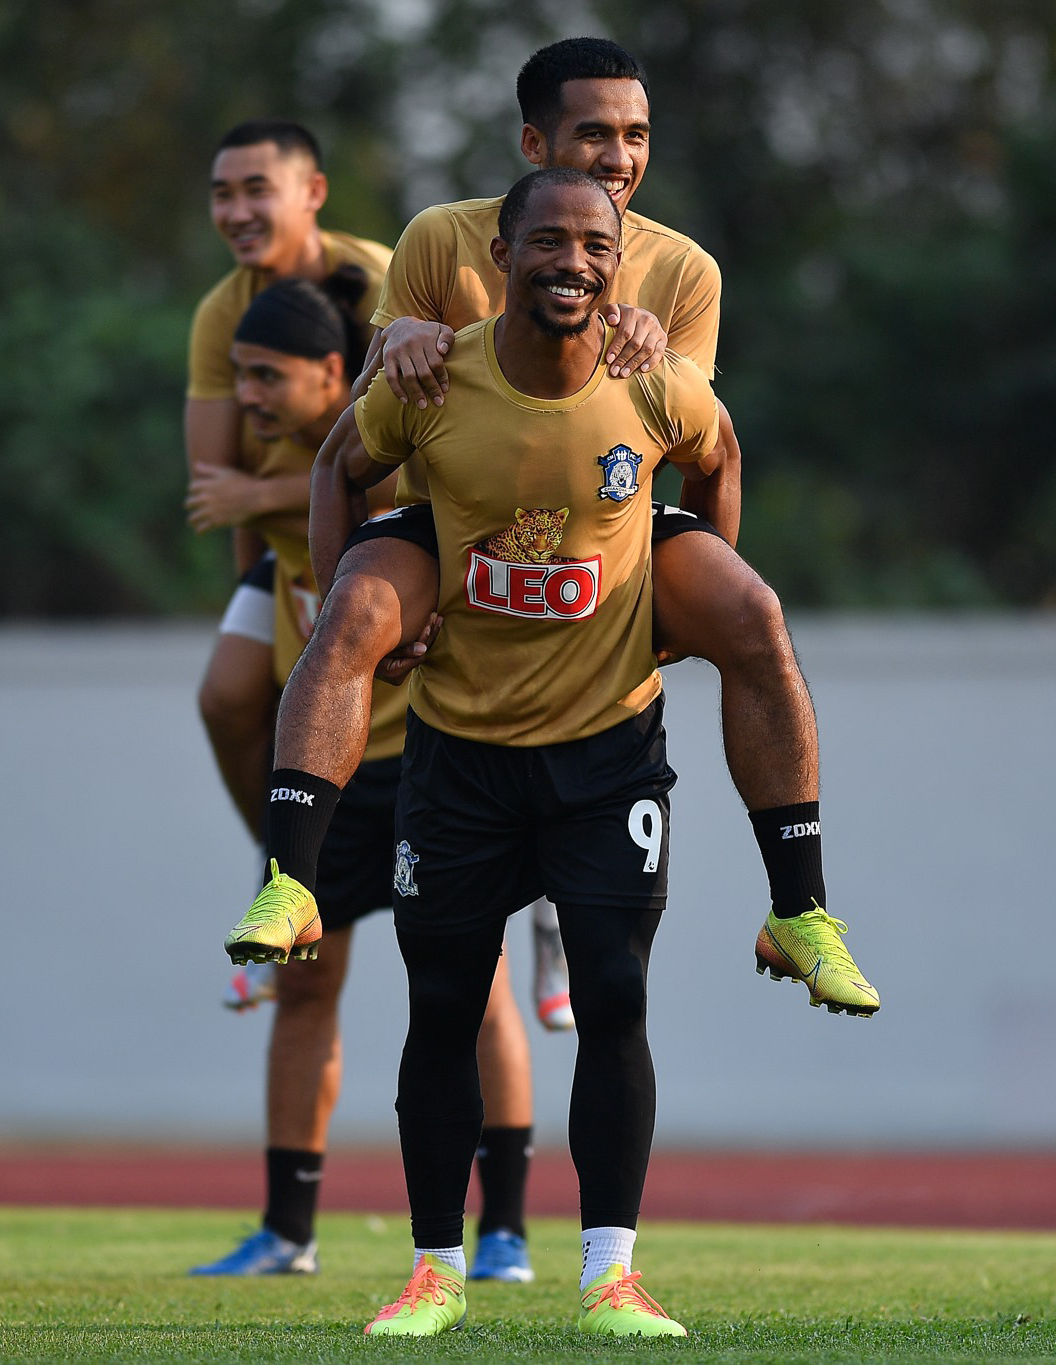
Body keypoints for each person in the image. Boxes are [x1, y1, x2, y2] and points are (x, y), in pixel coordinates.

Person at [236, 167, 722, 1334]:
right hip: (460, 749)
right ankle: (433, 1273)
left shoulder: (651, 372)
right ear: (500, 258)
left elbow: (719, 456)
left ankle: (609, 1275)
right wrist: (350, 593)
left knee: (613, 995)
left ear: (619, 261)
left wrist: (683, 595)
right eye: (547, 240)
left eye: (594, 244)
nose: (572, 260)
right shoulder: (432, 373)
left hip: (606, 749)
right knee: (444, 1002)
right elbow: (338, 466)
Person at [308, 38, 881, 1015]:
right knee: (342, 626)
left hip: (605, 530)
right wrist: (394, 338)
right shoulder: (440, 238)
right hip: (457, 524)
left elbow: (698, 440)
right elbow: (365, 429)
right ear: (533, 145)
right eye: (594, 134)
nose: (619, 156)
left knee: (754, 616)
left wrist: (678, 605)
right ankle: (290, 877)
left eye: (637, 135)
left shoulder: (685, 271)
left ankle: (799, 906)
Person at [184, 176, 538, 1285]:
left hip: (428, 756)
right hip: (331, 771)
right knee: (304, 987)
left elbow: (395, 508)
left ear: (335, 377)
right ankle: (286, 1230)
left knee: (471, 989)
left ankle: (506, 1230)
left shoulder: (387, 446)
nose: (246, 395)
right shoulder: (272, 465)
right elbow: (260, 551)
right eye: (239, 375)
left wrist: (258, 502)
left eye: (268, 376)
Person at [189, 119, 578, 1035]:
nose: (237, 211)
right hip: (294, 546)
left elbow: (425, 438)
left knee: (522, 698)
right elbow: (218, 487)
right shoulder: (219, 312)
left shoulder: (383, 271)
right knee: (228, 693)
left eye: (256, 189)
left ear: (313, 194)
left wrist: (268, 497)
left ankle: (547, 905)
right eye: (221, 193)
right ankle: (283, 866)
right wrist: (268, 579)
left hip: (403, 524)